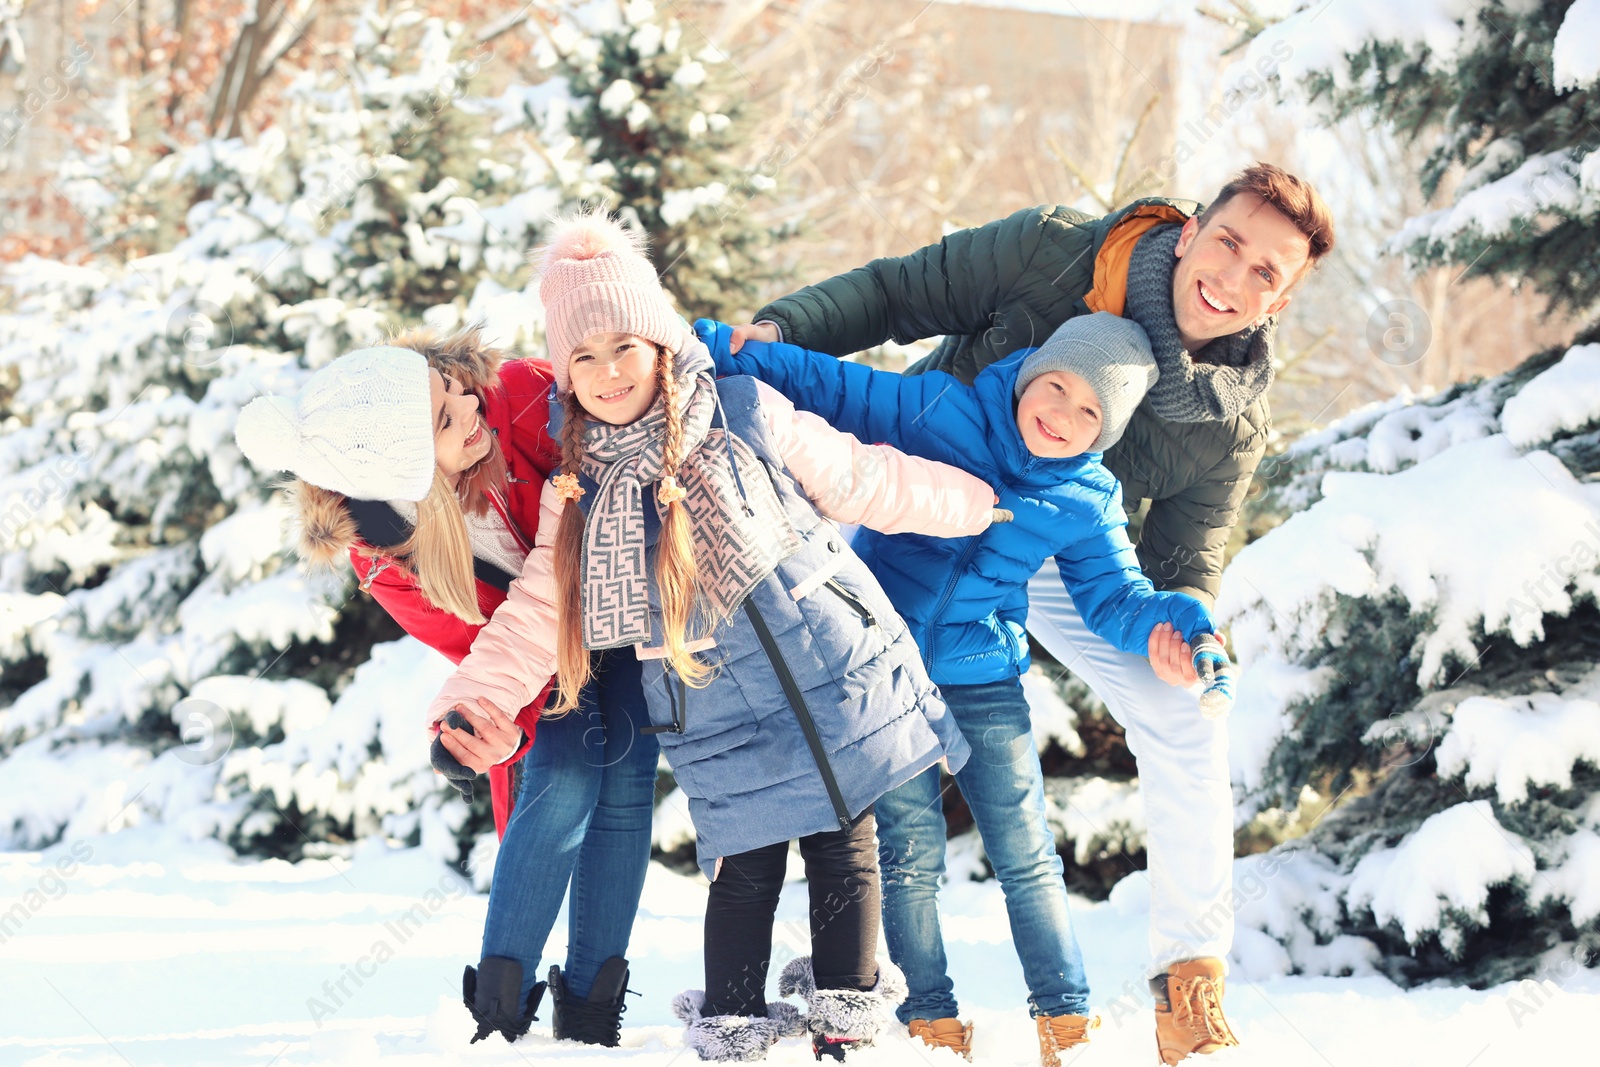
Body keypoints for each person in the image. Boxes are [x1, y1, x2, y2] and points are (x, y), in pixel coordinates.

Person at [724, 161, 1335, 1064]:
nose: (1234, 278)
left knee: (1187, 712)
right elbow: (899, 291)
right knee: (833, 711)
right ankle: (840, 977)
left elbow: (1185, 553)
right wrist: (778, 329)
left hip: (1054, 544)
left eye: (1267, 274)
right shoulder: (1056, 249)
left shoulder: (1228, 418)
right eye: (1231, 243)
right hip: (912, 489)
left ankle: (1189, 987)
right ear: (1196, 225)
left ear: (1279, 301)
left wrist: (1187, 623)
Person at [425, 210, 1001, 1061]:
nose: (607, 371)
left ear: (660, 341)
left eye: (623, 345)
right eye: (582, 357)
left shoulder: (743, 412)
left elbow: (861, 477)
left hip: (828, 669)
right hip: (711, 710)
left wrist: (971, 501)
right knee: (745, 873)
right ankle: (733, 1034)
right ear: (566, 375)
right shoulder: (578, 490)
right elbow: (538, 611)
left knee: (848, 849)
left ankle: (845, 1033)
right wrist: (472, 700)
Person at [702, 310, 1218, 1066]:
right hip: (886, 671)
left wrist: (1180, 620)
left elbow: (1116, 597)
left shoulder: (1086, 498)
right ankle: (930, 1020)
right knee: (911, 854)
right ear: (1034, 372)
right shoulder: (942, 410)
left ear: (1107, 430)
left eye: (1089, 413)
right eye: (1058, 387)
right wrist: (716, 347)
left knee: (1027, 852)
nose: (1063, 416)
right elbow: (830, 384)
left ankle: (1066, 1019)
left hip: (986, 675)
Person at [234, 327, 654, 1047]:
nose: (472, 407)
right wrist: (495, 724)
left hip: (626, 607)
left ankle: (590, 1011)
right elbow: (488, 649)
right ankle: (499, 1014)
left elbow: (615, 437)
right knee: (567, 775)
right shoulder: (392, 562)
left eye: (454, 390)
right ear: (400, 472)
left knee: (623, 785)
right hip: (540, 667)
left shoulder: (517, 394)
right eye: (445, 418)